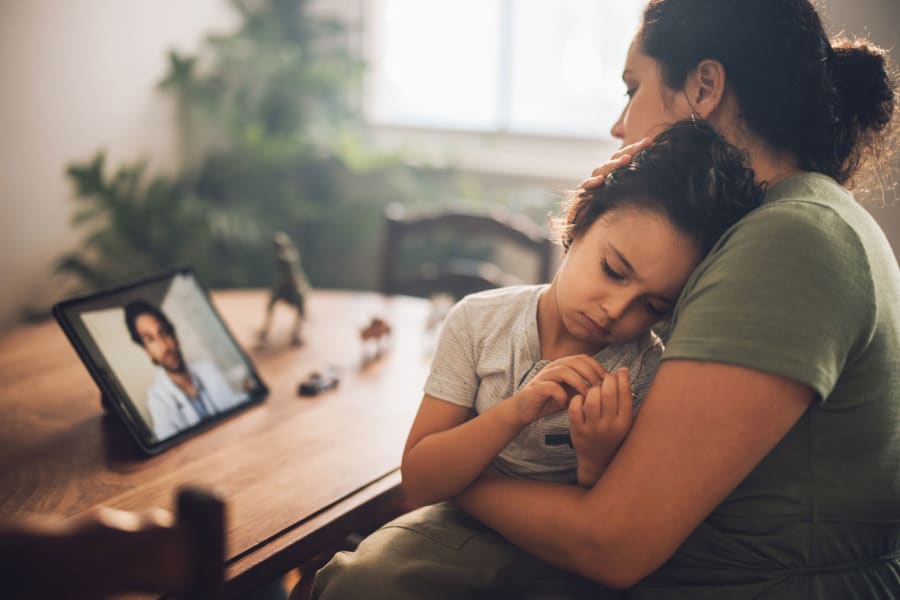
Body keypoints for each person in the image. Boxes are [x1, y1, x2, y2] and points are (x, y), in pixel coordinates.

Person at [313, 0, 899, 598]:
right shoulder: (788, 223)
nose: (620, 126)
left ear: (704, 86)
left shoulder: (788, 240)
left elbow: (612, 543)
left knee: (360, 581)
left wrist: (455, 477)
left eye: (632, 88)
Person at [312, 119, 765, 599]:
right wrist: (517, 410)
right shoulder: (479, 322)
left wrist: (594, 457)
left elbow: (608, 525)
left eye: (653, 307)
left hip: (559, 555)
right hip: (452, 530)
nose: (615, 310)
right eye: (612, 270)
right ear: (579, 221)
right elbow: (421, 478)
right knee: (362, 579)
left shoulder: (646, 370)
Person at [124, 300, 248, 441]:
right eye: (150, 340)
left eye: (163, 333)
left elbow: (233, 405)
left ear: (175, 337)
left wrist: (248, 392)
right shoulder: (157, 399)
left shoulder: (207, 369)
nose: (164, 346)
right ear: (147, 351)